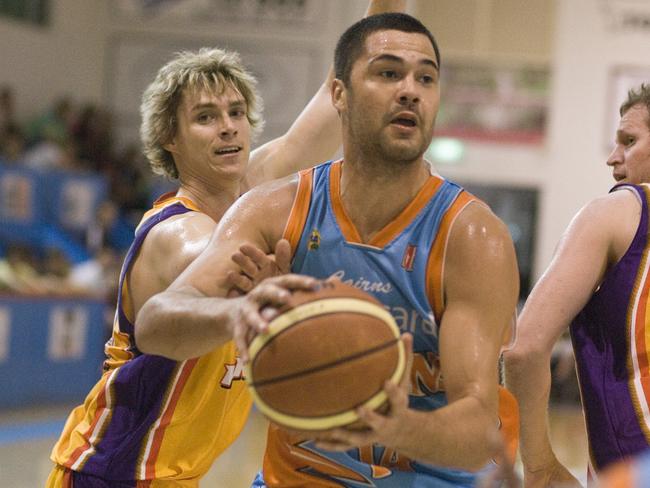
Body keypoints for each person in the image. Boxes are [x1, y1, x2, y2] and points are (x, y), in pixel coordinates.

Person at [136, 12, 520, 487]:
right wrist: (239, 314)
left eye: (426, 78)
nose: (409, 90)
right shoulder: (271, 210)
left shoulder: (473, 236)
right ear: (339, 94)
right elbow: (155, 322)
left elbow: (482, 429)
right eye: (387, 73)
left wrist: (398, 427)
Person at [46, 2, 406, 486]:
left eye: (236, 112)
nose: (228, 126)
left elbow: (333, 99)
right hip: (114, 470)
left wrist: (388, 13)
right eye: (206, 117)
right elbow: (214, 261)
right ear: (170, 138)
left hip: (178, 474)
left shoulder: (251, 195)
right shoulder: (177, 232)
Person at [505, 83, 650, 485]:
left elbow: (523, 349)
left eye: (629, 141)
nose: (612, 158)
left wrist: (539, 467)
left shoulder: (616, 213)